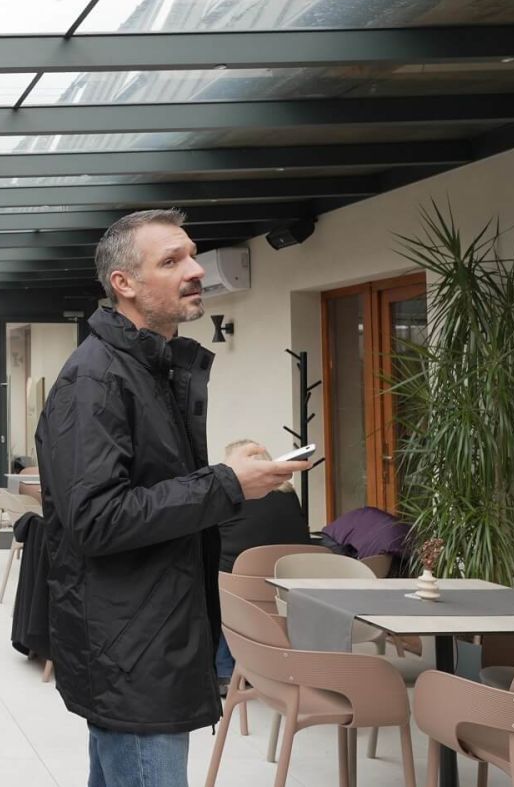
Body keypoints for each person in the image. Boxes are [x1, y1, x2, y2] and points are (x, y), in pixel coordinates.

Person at [35, 209, 309, 787]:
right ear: (124, 284)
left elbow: (147, 493)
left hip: (149, 643)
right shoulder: (96, 379)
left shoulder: (148, 369)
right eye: (171, 260)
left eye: (192, 255)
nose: (196, 270)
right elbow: (96, 518)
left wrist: (229, 478)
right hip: (132, 653)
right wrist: (226, 483)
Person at [214, 439, 311, 691]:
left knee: (212, 584)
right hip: (287, 589)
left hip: (241, 591)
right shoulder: (289, 496)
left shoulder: (227, 498)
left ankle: (225, 671)